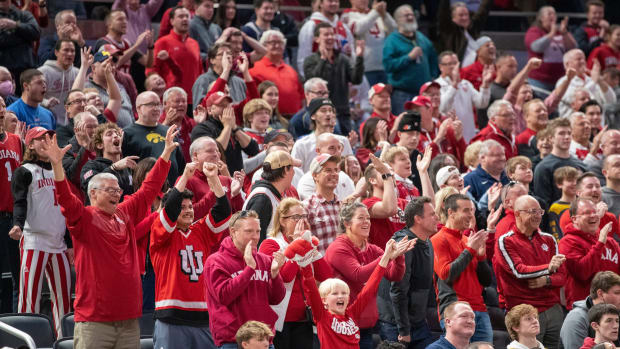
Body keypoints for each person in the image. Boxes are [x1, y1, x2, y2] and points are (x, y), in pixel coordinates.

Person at [46, 123, 178, 348]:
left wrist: (165, 153)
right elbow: (66, 200)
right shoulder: (84, 218)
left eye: (118, 190)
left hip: (128, 319)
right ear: (93, 193)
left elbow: (148, 188)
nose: (116, 193)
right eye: (110, 190)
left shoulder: (124, 213)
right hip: (95, 321)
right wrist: (57, 166)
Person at [150, 161, 231, 349]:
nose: (187, 211)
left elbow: (223, 212)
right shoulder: (160, 232)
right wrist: (186, 176)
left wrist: (214, 179)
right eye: (182, 207)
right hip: (171, 318)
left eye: (190, 207)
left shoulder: (200, 230)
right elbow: (170, 208)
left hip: (203, 317)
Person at [324, 200, 411, 349]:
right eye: (361, 218)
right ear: (347, 223)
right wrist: (386, 257)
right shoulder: (337, 248)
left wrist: (398, 257)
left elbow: (394, 275)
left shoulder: (371, 249)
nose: (366, 222)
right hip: (341, 326)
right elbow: (358, 274)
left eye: (368, 218)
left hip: (366, 325)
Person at [10, 127, 69, 337]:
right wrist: (17, 224)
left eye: (50, 138)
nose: (46, 141)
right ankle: (26, 340)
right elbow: (19, 202)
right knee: (29, 299)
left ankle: (64, 340)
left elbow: (68, 207)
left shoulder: (60, 170)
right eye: (40, 139)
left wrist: (70, 244)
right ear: (31, 144)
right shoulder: (25, 170)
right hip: (34, 240)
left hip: (59, 242)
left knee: (64, 300)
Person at [204, 209, 286, 348]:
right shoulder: (216, 261)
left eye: (258, 231)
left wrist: (275, 275)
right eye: (249, 231)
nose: (255, 236)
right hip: (233, 341)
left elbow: (276, 299)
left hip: (263, 340)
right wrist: (249, 269)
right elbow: (224, 296)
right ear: (233, 232)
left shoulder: (265, 260)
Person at [258, 198, 332, 349]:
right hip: (279, 321)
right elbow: (285, 277)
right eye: (297, 217)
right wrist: (297, 244)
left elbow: (326, 276)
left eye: (304, 216)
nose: (302, 221)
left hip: (304, 318)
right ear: (283, 221)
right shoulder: (270, 244)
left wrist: (308, 245)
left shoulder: (307, 242)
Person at [494, 195, 566, 348]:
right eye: (532, 211)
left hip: (553, 308)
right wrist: (547, 268)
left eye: (539, 211)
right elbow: (518, 271)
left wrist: (546, 280)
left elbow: (562, 276)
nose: (538, 216)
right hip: (524, 312)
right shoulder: (506, 241)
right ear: (517, 214)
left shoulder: (549, 239)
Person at [431, 194, 494, 343]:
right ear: (450, 212)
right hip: (455, 311)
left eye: (471, 210)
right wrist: (470, 251)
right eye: (466, 210)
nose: (471, 215)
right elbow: (446, 275)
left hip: (479, 309)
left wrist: (481, 258)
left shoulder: (467, 240)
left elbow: (486, 281)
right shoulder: (438, 239)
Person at [378, 196, 437, 348]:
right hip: (396, 324)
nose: (437, 217)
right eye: (432, 214)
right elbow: (398, 292)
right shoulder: (404, 244)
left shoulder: (427, 241)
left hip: (417, 321)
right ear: (418, 219)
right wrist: (404, 330)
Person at [559, 197, 620, 310]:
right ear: (574, 219)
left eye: (595, 212)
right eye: (587, 212)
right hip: (584, 308)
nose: (593, 215)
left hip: (612, 308)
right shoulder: (568, 242)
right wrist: (600, 243)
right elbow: (582, 273)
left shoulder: (610, 242)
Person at [303, 22, 364, 136]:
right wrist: (322, 60)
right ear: (317, 39)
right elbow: (312, 80)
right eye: (326, 34)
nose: (330, 37)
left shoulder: (343, 59)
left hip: (343, 113)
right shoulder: (310, 60)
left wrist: (359, 58)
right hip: (322, 114)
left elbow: (356, 79)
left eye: (332, 34)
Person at [382, 5, 437, 115]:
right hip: (403, 94)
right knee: (405, 127)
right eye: (406, 15)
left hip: (423, 94)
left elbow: (433, 57)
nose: (411, 17)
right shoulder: (392, 41)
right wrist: (408, 58)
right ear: (397, 20)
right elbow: (388, 65)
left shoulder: (421, 37)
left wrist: (433, 76)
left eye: (412, 14)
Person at [122, 91, 185, 185]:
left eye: (158, 104)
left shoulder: (168, 131)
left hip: (172, 191)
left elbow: (180, 164)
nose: (156, 108)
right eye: (151, 104)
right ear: (139, 108)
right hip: (145, 190)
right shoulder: (127, 133)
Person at [149, 6, 202, 106]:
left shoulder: (194, 43)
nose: (185, 19)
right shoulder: (162, 43)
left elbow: (199, 72)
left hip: (193, 99)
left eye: (187, 16)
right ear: (172, 21)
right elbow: (151, 71)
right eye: (181, 16)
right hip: (171, 100)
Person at [435, 51, 491, 142]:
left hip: (469, 134)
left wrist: (485, 84)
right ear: (441, 67)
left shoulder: (465, 84)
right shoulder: (436, 85)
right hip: (449, 136)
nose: (453, 66)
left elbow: (481, 103)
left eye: (455, 63)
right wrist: (454, 86)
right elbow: (443, 108)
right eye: (449, 64)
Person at [533, 117, 587, 206]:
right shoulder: (543, 168)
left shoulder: (581, 165)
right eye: (561, 133)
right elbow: (543, 203)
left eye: (569, 133)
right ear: (551, 138)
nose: (566, 137)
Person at [243, 150, 295, 243]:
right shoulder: (262, 198)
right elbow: (254, 240)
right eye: (292, 168)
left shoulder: (271, 194)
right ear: (286, 170)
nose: (294, 172)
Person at [249, 30, 304, 117]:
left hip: (293, 119)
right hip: (269, 119)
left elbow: (301, 95)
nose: (277, 46)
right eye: (273, 42)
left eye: (280, 43)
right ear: (263, 45)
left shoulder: (291, 70)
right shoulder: (254, 69)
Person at [0, 96, 22, 312]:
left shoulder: (16, 140)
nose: (1, 110)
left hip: (14, 217)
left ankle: (16, 327)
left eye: (3, 106)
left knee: (17, 278)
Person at [290, 98, 353, 173]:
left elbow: (350, 169)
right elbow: (295, 173)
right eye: (323, 110)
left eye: (331, 110)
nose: (328, 114)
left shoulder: (343, 141)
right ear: (313, 116)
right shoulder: (301, 144)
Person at [560, 271, 620, 349]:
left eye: (617, 321)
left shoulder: (616, 312)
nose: (615, 325)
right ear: (601, 294)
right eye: (617, 293)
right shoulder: (577, 318)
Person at [342, 0, 396, 86]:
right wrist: (375, 12)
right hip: (365, 68)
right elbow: (358, 29)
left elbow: (393, 30)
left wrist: (384, 14)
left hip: (383, 67)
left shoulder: (375, 14)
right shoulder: (347, 15)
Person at [524, 6, 576, 92]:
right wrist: (551, 33)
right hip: (539, 80)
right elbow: (536, 48)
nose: (552, 16)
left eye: (554, 14)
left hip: (560, 79)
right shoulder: (534, 31)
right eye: (549, 14)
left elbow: (573, 48)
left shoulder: (561, 32)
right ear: (541, 18)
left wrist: (565, 32)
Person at [296, 0, 355, 76]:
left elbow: (352, 54)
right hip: (319, 76)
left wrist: (350, 55)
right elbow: (303, 57)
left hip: (341, 78)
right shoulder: (311, 26)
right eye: (330, 1)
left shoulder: (343, 27)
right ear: (320, 4)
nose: (334, 3)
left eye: (336, 1)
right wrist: (308, 80)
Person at [557, 49, 616, 119]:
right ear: (567, 64)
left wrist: (600, 81)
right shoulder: (563, 82)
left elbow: (611, 100)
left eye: (583, 59)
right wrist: (594, 82)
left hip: (596, 125)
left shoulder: (592, 79)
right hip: (574, 126)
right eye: (578, 59)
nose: (582, 61)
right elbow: (578, 102)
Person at [302, 153, 342, 255]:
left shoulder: (344, 206)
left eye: (336, 170)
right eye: (328, 170)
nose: (334, 174)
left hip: (343, 269)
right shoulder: (306, 207)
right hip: (320, 269)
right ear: (315, 176)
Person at [558, 172, 619, 237]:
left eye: (598, 186)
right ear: (578, 192)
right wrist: (597, 217)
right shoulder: (569, 216)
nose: (595, 189)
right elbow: (579, 242)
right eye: (589, 187)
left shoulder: (609, 217)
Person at [84, 50, 134, 127]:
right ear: (93, 68)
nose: (111, 68)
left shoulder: (120, 87)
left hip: (129, 135)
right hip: (105, 134)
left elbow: (130, 111)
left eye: (113, 65)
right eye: (106, 65)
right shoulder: (86, 88)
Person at [0, 0, 40, 92]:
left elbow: (36, 33)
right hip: (3, 71)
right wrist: (24, 37)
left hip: (26, 69)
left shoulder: (24, 15)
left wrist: (15, 25)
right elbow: (2, 40)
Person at [38, 39, 80, 126]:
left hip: (72, 123)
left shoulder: (77, 72)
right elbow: (31, 96)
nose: (69, 54)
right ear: (56, 52)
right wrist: (46, 102)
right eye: (66, 50)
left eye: (72, 51)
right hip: (49, 121)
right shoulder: (43, 72)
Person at [437, 0, 491, 66]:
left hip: (478, 69)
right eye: (461, 15)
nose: (464, 18)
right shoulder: (449, 31)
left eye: (466, 14)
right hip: (459, 70)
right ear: (453, 18)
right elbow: (443, 12)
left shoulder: (473, 28)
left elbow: (483, 10)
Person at [193, 42, 247, 108]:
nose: (227, 56)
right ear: (212, 60)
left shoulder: (239, 82)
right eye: (222, 54)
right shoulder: (203, 80)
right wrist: (226, 70)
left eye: (229, 53)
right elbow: (199, 109)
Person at [548, 166, 579, 240]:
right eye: (570, 180)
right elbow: (555, 233)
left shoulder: (584, 203)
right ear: (559, 184)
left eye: (577, 180)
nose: (575, 183)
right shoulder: (555, 208)